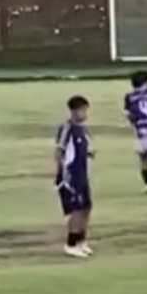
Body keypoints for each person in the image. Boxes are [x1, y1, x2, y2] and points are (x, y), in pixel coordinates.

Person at [56, 95, 95, 258]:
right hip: (72, 176)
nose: (85, 114)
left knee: (86, 207)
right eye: (82, 110)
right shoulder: (67, 128)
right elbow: (59, 151)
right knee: (76, 210)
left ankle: (81, 240)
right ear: (74, 111)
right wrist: (62, 173)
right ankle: (70, 243)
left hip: (82, 173)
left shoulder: (82, 129)